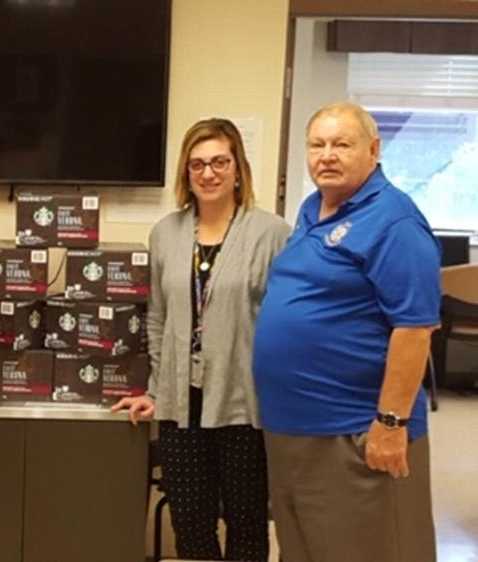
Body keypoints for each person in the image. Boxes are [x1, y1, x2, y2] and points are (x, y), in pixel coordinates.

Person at [252, 102, 439, 562]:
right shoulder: (313, 209)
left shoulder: (394, 221)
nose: (327, 155)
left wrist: (391, 425)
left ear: (373, 150)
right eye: (317, 145)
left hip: (354, 433)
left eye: (342, 144)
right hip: (293, 429)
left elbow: (414, 329)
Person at [112, 118, 290, 561]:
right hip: (180, 407)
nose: (208, 173)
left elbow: (284, 323)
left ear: (237, 169)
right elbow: (157, 318)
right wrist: (155, 390)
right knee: (191, 528)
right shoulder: (165, 234)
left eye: (219, 162)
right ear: (186, 173)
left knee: (247, 527)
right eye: (197, 165)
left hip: (243, 406)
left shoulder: (272, 234)